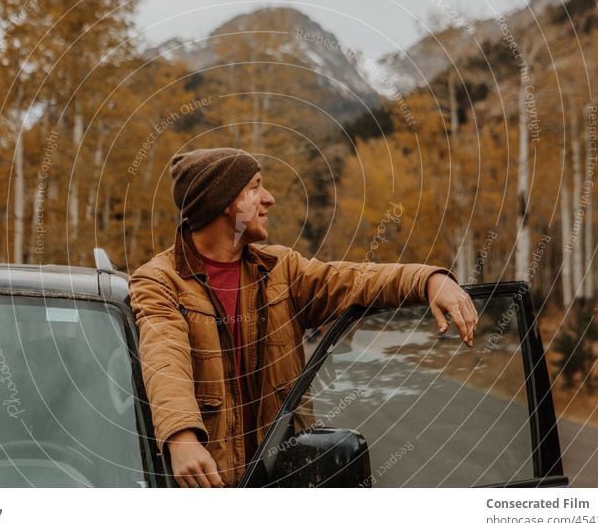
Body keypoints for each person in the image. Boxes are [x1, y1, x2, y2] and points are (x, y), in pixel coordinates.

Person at [129, 147, 477, 488]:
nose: (269, 198)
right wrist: (182, 437)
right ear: (226, 202)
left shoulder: (281, 269)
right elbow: (166, 360)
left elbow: (355, 280)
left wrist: (429, 279)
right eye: (255, 186)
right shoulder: (159, 281)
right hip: (209, 489)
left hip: (284, 483)